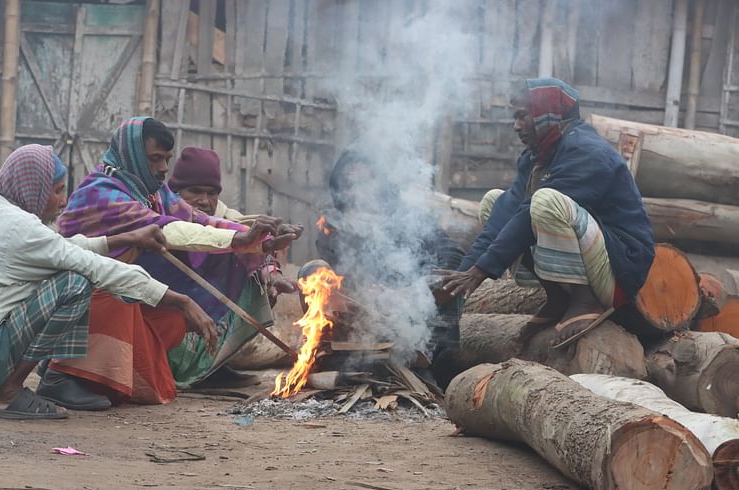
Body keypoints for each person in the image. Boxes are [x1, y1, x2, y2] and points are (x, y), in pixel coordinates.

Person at [0, 145, 214, 419]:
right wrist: (180, 300)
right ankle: (7, 394)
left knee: (64, 271)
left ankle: (36, 380)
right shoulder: (21, 228)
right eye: (57, 190)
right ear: (32, 188)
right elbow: (92, 266)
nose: (63, 201)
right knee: (74, 283)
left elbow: (62, 247)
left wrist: (126, 239)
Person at [43, 117, 298, 406]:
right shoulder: (101, 193)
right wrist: (241, 239)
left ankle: (186, 368)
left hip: (122, 289)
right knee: (117, 297)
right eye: (155, 159)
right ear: (134, 156)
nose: (164, 168)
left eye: (166, 159)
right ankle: (64, 373)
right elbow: (167, 229)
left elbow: (197, 220)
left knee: (213, 278)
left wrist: (258, 242)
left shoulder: (150, 190)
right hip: (80, 300)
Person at [441, 78, 655, 352]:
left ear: (546, 114)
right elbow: (505, 215)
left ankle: (585, 301)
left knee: (543, 202)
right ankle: (558, 297)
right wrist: (461, 277)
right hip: (596, 256)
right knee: (494, 202)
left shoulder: (586, 151)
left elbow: (528, 214)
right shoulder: (536, 157)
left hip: (621, 272)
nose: (516, 126)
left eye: (522, 116)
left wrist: (481, 272)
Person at [314, 147, 465, 389]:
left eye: (367, 180)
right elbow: (348, 277)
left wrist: (417, 289)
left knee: (447, 280)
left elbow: (452, 252)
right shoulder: (333, 228)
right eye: (350, 184)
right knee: (312, 272)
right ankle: (361, 367)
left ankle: (426, 365)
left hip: (416, 318)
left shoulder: (407, 216)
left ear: (381, 182)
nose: (359, 191)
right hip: (363, 320)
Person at [167, 146, 303, 306]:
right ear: (175, 192)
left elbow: (252, 244)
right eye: (195, 191)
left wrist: (272, 275)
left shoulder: (226, 218)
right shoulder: (161, 214)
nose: (204, 201)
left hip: (215, 308)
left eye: (211, 194)